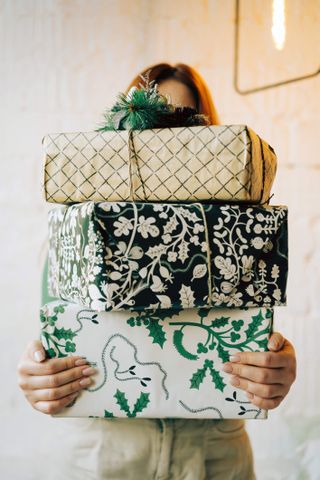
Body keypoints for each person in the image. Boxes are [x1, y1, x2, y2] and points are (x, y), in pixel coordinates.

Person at [17, 63, 296, 480]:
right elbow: (56, 341)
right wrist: (37, 378)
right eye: (154, 128)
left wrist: (276, 367)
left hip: (214, 455)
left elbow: (251, 328)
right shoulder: (76, 234)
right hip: (102, 455)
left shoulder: (237, 231)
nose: (169, 149)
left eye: (187, 131)